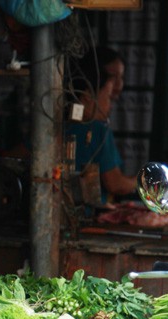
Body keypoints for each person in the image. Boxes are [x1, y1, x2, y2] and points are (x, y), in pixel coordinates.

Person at [65, 45, 135, 206]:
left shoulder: (57, 123)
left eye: (121, 77)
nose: (119, 85)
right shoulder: (97, 129)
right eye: (109, 97)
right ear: (88, 96)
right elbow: (115, 184)